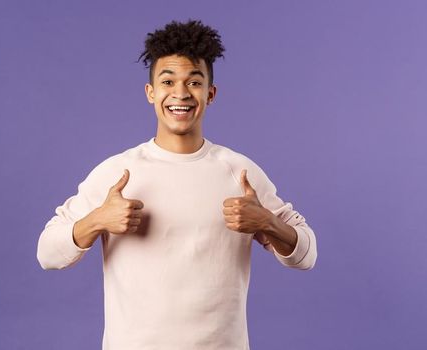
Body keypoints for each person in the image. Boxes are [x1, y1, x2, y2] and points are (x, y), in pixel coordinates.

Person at [36, 19, 317, 349]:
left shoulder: (239, 172)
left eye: (194, 82)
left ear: (210, 94)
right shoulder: (118, 172)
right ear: (151, 93)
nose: (180, 93)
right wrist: (97, 219)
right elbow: (47, 252)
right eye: (168, 81)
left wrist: (267, 222)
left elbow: (305, 255)